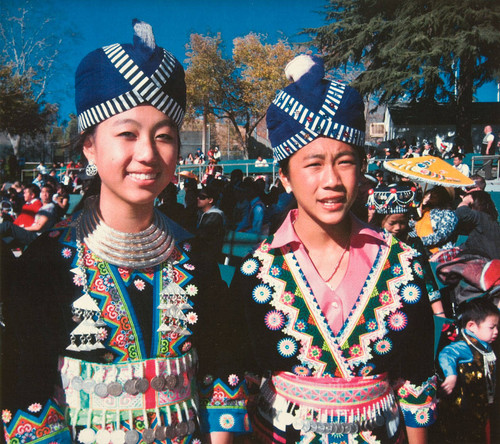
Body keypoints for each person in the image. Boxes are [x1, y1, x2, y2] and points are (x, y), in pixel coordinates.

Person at [1, 20, 248, 444]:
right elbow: (27, 390)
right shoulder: (47, 263)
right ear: (90, 146)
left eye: (164, 136)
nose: (148, 154)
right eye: (127, 134)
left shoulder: (193, 254)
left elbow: (222, 367)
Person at [228, 54, 437, 443]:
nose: (331, 181)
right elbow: (236, 381)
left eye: (345, 162)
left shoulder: (404, 266)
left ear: (362, 169)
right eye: (312, 164)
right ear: (285, 177)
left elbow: (416, 376)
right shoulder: (256, 273)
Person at [367, 184, 445, 316]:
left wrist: (439, 313)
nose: (397, 228)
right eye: (392, 223)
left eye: (402, 222)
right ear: (380, 222)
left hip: (411, 303)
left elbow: (426, 277)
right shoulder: (371, 243)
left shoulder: (413, 242)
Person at [435, 298, 499, 444]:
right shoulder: (465, 346)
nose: (496, 331)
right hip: (465, 411)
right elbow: (447, 354)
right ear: (472, 326)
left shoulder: (484, 344)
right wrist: (451, 376)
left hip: (480, 407)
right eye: (492, 327)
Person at [413, 186, 458, 256]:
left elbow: (441, 235)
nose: (433, 195)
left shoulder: (449, 214)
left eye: (437, 193)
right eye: (433, 192)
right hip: (418, 249)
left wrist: (420, 242)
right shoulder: (425, 210)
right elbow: (412, 226)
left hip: (436, 253)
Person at [455, 190, 500, 260]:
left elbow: (462, 212)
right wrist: (459, 248)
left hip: (487, 262)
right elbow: (476, 241)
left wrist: (466, 200)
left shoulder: (483, 217)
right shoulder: (488, 220)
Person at [195, 185, 225, 262]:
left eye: (202, 197)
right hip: (204, 253)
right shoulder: (203, 213)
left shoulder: (215, 216)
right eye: (198, 196)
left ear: (210, 200)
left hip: (210, 257)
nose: (198, 198)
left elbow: (202, 236)